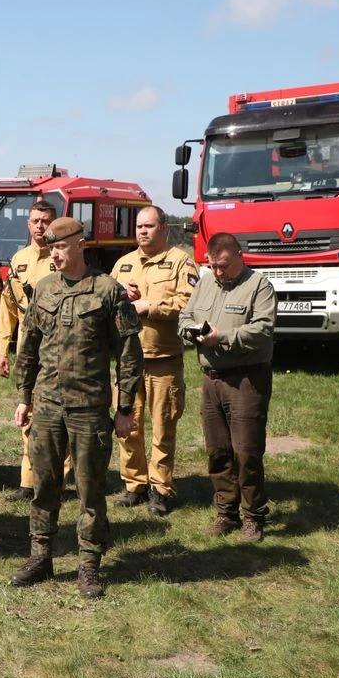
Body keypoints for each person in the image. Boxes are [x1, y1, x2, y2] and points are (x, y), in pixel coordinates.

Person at [12, 216, 143, 598]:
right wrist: (23, 396)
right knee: (44, 485)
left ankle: (89, 565)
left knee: (90, 490)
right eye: (50, 247)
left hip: (89, 408)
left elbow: (129, 355)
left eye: (61, 246)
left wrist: (125, 407)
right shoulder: (43, 288)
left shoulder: (107, 291)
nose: (54, 253)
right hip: (48, 406)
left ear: (80, 244)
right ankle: (41, 556)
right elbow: (29, 347)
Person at [177, 232, 276, 542]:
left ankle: (254, 515)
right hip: (211, 380)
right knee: (218, 451)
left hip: (246, 379)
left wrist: (224, 339)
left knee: (246, 451)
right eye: (213, 266)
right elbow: (185, 316)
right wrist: (191, 333)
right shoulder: (206, 282)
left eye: (224, 266)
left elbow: (263, 329)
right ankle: (226, 512)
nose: (219, 273)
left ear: (239, 256)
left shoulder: (258, 285)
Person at [110, 206, 198, 517]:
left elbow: (189, 303)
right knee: (127, 426)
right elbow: (106, 303)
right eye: (139, 226)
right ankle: (134, 484)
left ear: (163, 228)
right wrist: (124, 295)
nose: (143, 232)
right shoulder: (123, 264)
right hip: (128, 362)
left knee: (163, 427)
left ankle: (160, 489)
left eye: (149, 226)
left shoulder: (180, 262)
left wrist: (150, 305)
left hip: (164, 360)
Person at [0, 201, 58, 502]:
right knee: (26, 414)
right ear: (28, 223)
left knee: (57, 418)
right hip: (26, 353)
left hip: (56, 352)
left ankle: (57, 478)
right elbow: (8, 308)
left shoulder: (61, 257)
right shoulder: (19, 259)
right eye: (35, 220)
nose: (39, 226)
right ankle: (27, 480)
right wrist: (2, 350)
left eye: (45, 220)